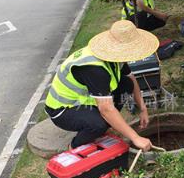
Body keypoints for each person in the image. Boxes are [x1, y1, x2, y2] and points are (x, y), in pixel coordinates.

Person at [44, 20, 160, 152]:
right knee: (98, 124)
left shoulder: (115, 57)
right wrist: (135, 138)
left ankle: (107, 123)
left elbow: (131, 79)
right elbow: (106, 109)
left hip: (88, 101)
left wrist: (143, 109)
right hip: (63, 110)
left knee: (126, 84)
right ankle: (73, 147)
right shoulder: (94, 69)